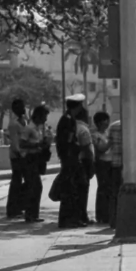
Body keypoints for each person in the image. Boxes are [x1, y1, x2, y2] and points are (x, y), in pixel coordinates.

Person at [55, 94, 91, 229]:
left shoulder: (67, 119)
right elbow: (68, 142)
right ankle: (68, 219)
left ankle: (74, 218)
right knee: (70, 190)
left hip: (70, 158)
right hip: (70, 159)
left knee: (73, 189)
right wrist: (78, 149)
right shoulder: (68, 121)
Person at [20, 105, 52, 223]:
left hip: (35, 159)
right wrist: (37, 146)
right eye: (44, 116)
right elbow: (22, 144)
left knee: (35, 187)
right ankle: (30, 214)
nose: (45, 119)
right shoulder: (29, 128)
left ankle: (33, 214)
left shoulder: (38, 128)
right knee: (33, 186)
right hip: (29, 159)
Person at [6, 98, 28, 219]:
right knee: (16, 182)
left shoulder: (24, 121)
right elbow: (15, 142)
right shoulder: (13, 124)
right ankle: (12, 208)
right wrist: (20, 154)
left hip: (24, 154)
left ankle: (19, 205)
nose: (23, 109)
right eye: (21, 107)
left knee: (21, 182)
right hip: (17, 156)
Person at [92, 112, 113, 224]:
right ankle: (101, 215)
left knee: (109, 189)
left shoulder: (107, 133)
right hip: (101, 163)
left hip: (110, 163)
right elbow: (101, 149)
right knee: (103, 189)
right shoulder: (96, 135)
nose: (107, 123)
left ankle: (109, 213)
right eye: (105, 121)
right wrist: (111, 142)